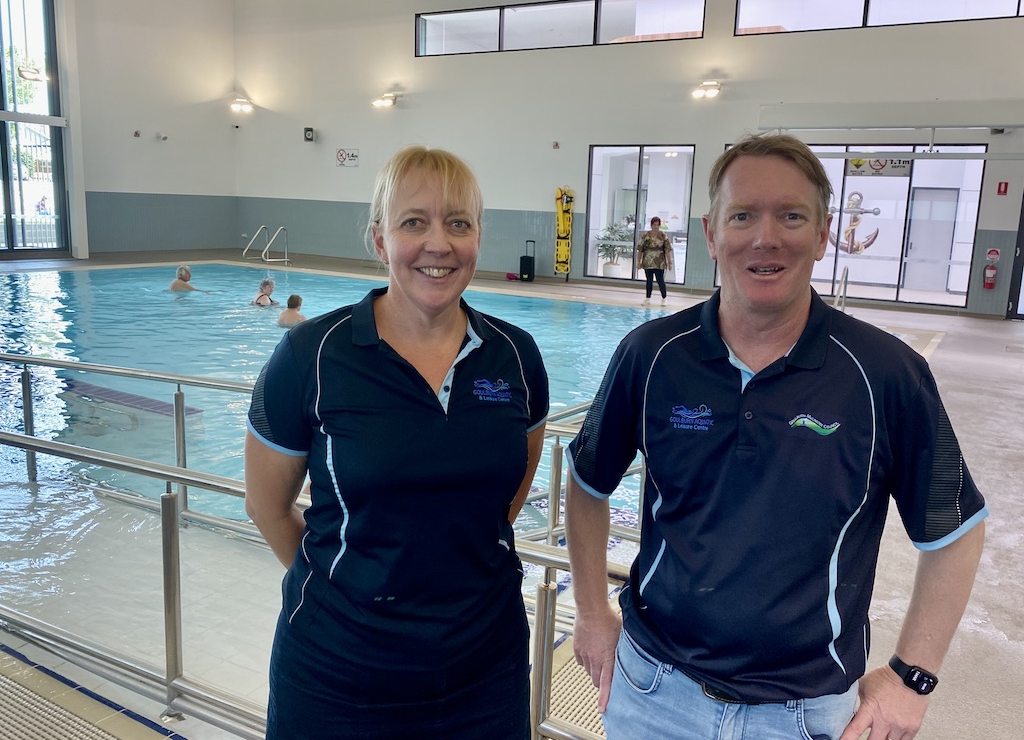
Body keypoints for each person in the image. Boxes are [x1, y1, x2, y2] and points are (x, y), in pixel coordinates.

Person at [565, 132, 987, 740]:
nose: (766, 237)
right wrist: (590, 612)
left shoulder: (884, 373)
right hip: (653, 693)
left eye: (791, 215)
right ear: (712, 234)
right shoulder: (652, 356)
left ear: (822, 233)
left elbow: (955, 529)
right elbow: (586, 483)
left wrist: (911, 677)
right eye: (743, 215)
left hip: (805, 714)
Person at [244, 145, 549, 739]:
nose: (439, 244)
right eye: (415, 222)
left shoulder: (515, 356)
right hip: (338, 675)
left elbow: (505, 502)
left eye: (458, 223)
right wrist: (350, 592)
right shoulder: (312, 355)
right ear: (380, 240)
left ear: (478, 237)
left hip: (484, 671)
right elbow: (267, 506)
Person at [636, 216, 673, 305]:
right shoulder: (646, 236)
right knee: (649, 280)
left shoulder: (663, 236)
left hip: (659, 262)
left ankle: (664, 298)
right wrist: (638, 261)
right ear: (651, 225)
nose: (656, 227)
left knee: (660, 280)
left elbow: (667, 250)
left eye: (657, 225)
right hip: (648, 261)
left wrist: (670, 262)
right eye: (654, 224)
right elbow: (640, 249)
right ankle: (648, 298)